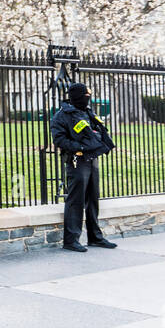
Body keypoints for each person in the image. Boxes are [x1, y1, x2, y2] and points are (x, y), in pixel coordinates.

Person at [49, 82, 118, 252]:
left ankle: (95, 237)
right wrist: (79, 147)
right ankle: (71, 240)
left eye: (88, 96)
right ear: (75, 97)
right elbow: (59, 140)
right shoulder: (61, 116)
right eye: (84, 96)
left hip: (92, 159)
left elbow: (97, 130)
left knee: (93, 199)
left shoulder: (87, 112)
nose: (87, 99)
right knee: (76, 201)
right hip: (76, 160)